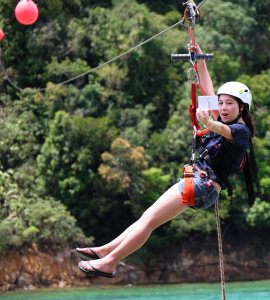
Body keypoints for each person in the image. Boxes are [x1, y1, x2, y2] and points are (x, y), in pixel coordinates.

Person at [75, 45, 256, 277]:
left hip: (203, 185)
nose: (223, 107)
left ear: (242, 107)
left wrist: (209, 123)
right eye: (220, 103)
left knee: (149, 221)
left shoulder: (241, 131)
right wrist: (199, 58)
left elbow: (220, 129)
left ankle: (109, 262)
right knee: (146, 218)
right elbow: (206, 85)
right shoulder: (221, 116)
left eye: (229, 104)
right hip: (201, 183)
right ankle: (106, 250)